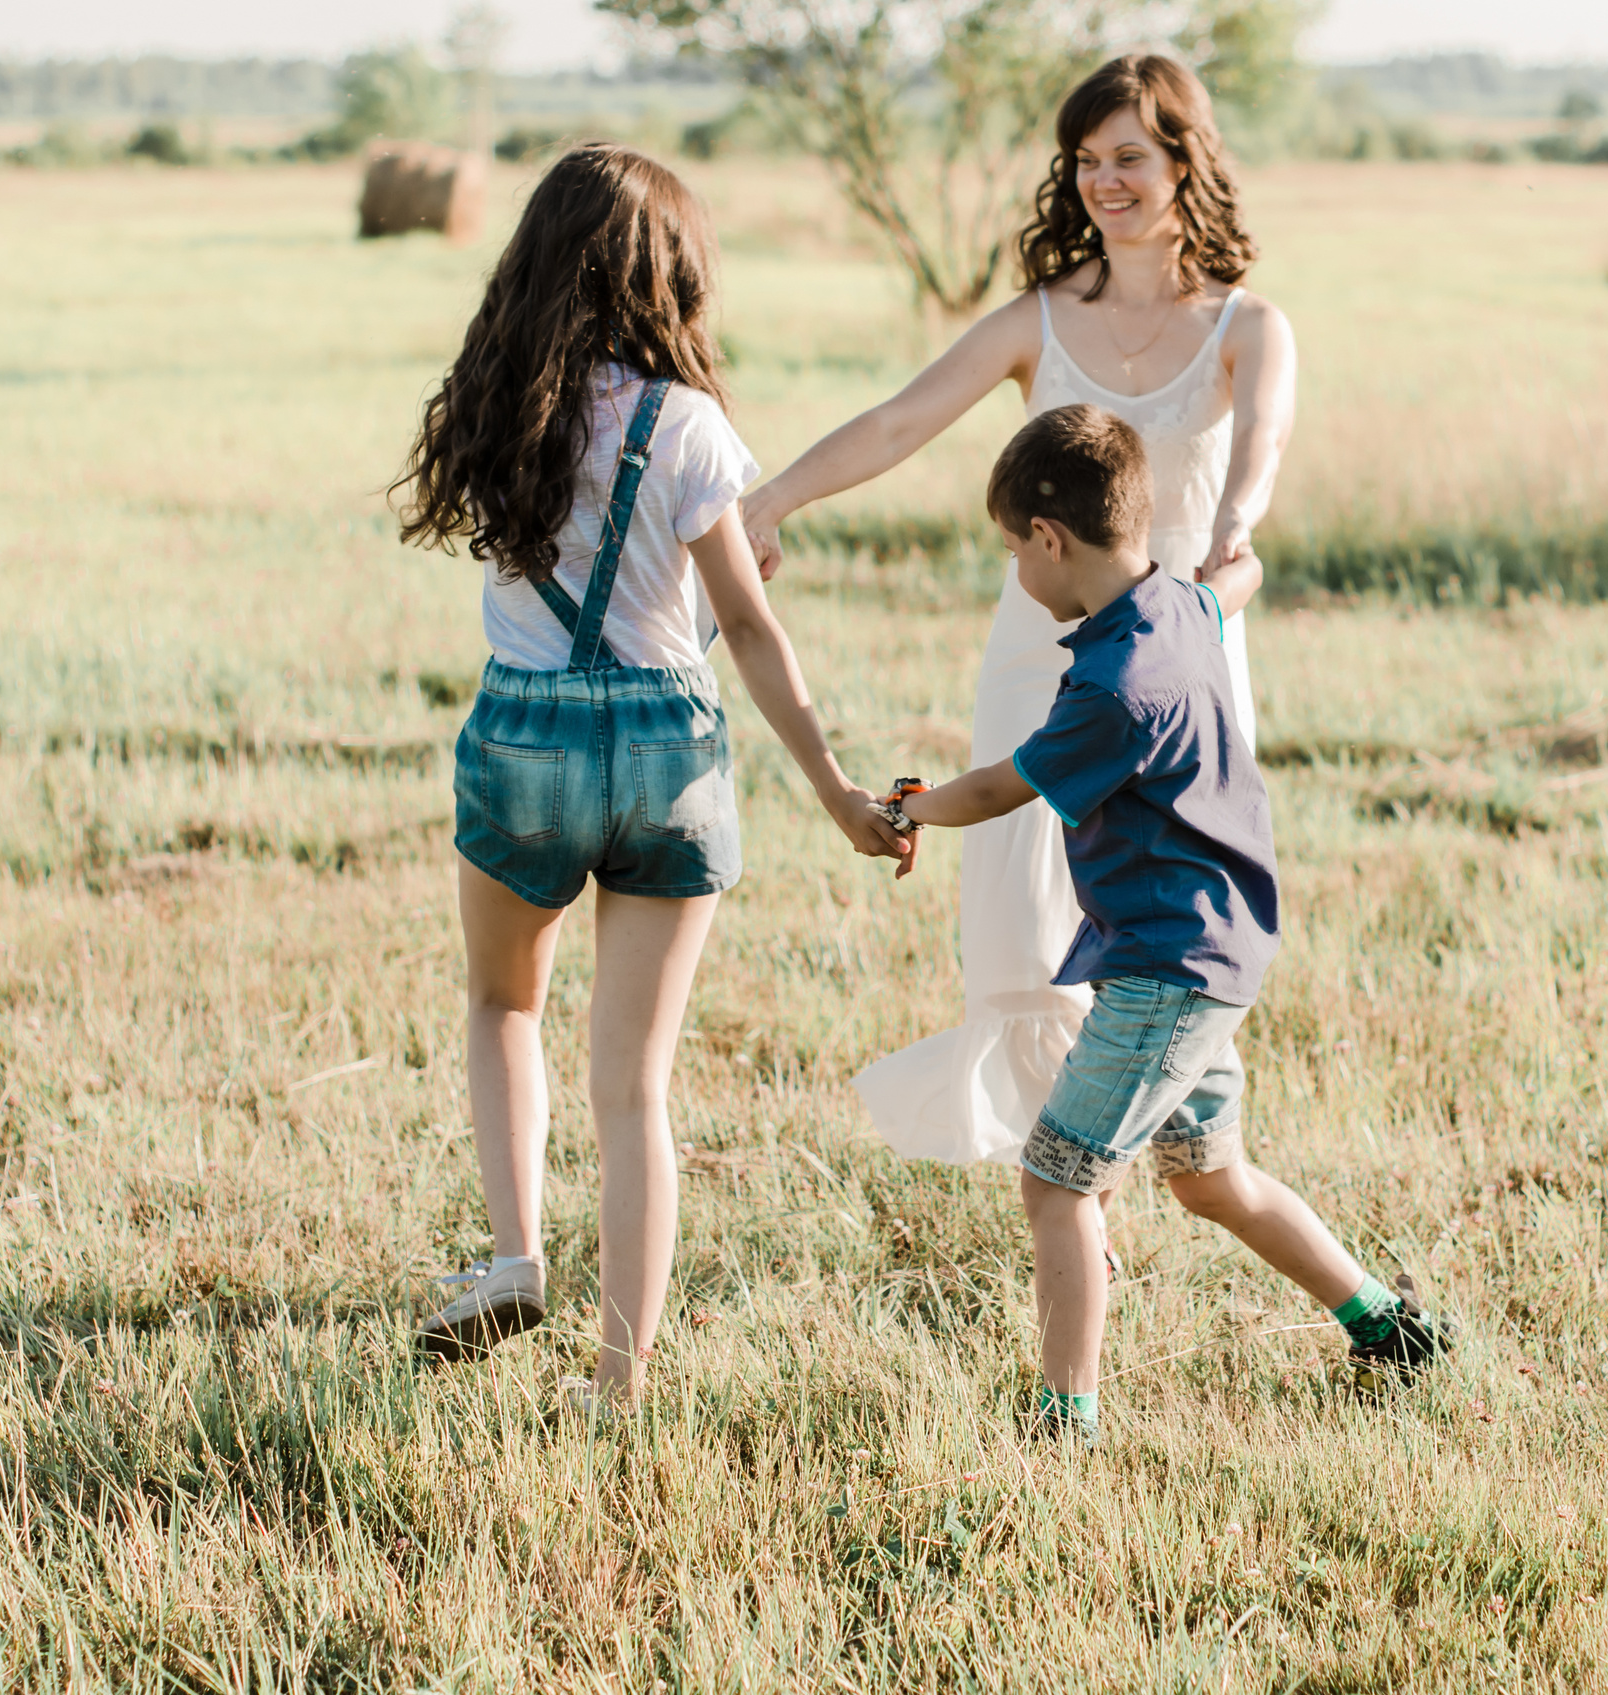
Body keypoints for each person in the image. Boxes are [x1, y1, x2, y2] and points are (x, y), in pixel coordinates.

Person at [389, 143, 910, 1401]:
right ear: (670, 280)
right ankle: (622, 1381)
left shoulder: (493, 406)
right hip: (670, 749)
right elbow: (747, 627)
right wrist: (837, 789)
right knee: (636, 1088)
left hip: (526, 740)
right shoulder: (688, 427)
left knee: (504, 1008)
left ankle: (515, 1256)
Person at [741, 55, 1299, 1168]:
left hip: (1180, 649)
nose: (1104, 181)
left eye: (1129, 157)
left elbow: (1258, 460)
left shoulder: (1249, 326)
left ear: (1185, 160)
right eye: (1086, 161)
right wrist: (770, 500)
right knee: (1022, 913)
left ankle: (1144, 1144)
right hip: (1035, 649)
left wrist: (1228, 548)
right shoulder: (1036, 319)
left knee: (1159, 890)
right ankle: (1070, 1168)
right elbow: (901, 422)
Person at [882, 405, 1448, 1442]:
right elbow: (1237, 584)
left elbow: (1006, 788)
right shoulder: (1180, 607)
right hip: (1214, 950)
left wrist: (904, 806)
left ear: (1048, 540)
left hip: (1165, 969)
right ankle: (1387, 1328)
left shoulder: (1111, 686)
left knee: (1056, 1182)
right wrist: (1246, 561)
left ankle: (1064, 1424)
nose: (1015, 570)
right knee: (1211, 1179)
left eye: (1015, 548)